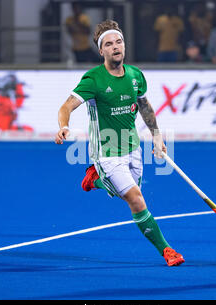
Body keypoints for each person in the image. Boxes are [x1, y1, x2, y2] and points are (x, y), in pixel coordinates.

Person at [55, 20, 185, 267]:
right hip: (107, 153)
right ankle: (167, 250)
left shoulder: (136, 75)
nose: (116, 47)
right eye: (109, 44)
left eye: (119, 41)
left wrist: (156, 136)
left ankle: (95, 180)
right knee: (136, 199)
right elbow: (66, 106)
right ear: (101, 50)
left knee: (128, 194)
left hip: (133, 148)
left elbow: (145, 106)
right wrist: (63, 126)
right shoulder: (93, 79)